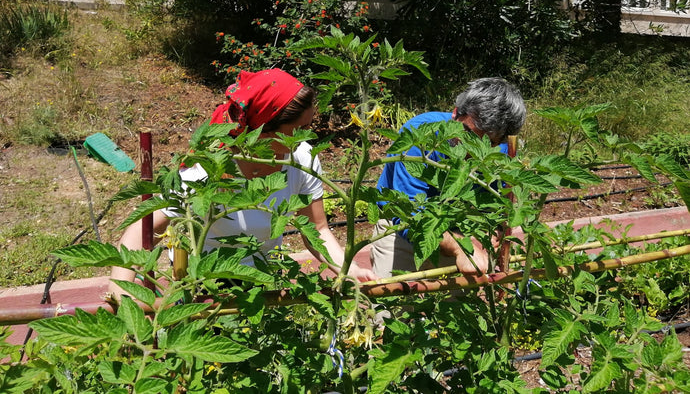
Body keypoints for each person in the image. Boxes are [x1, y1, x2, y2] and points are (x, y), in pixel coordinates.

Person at [111, 69, 376, 297]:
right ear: (260, 129)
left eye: (307, 128)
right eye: (294, 132)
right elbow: (142, 231)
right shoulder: (208, 169)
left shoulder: (302, 159)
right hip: (203, 285)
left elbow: (317, 230)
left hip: (262, 278)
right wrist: (121, 293)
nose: (303, 139)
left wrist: (349, 270)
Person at [370, 77, 527, 279]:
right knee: (389, 306)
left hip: (462, 235)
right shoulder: (420, 136)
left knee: (458, 307)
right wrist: (460, 248)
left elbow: (499, 204)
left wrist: (493, 232)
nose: (472, 149)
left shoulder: (504, 151)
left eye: (488, 143)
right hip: (400, 233)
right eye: (468, 133)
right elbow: (409, 215)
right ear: (455, 114)